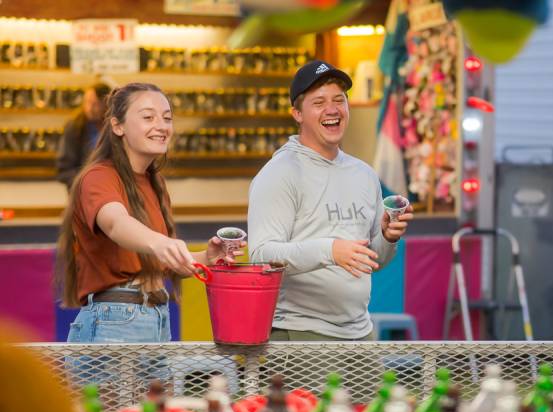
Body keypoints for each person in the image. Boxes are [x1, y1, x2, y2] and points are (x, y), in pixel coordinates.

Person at [56, 82, 240, 351]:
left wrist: (205, 258)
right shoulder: (98, 177)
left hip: (156, 316)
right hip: (114, 323)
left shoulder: (155, 183)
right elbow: (116, 222)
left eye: (167, 118)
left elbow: (161, 262)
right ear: (117, 126)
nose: (161, 125)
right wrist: (160, 243)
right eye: (148, 117)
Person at [248, 60, 413, 342]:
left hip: (361, 331)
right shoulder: (280, 173)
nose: (333, 109)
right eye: (319, 102)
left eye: (339, 99)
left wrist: (387, 237)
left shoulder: (364, 174)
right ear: (297, 113)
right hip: (299, 333)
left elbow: (372, 261)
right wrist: (330, 250)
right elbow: (261, 256)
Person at [55, 82, 112, 189]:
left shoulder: (115, 127)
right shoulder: (74, 127)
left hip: (110, 188)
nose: (89, 108)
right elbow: (64, 170)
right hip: (82, 191)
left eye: (95, 104)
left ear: (106, 104)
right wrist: (86, 183)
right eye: (87, 102)